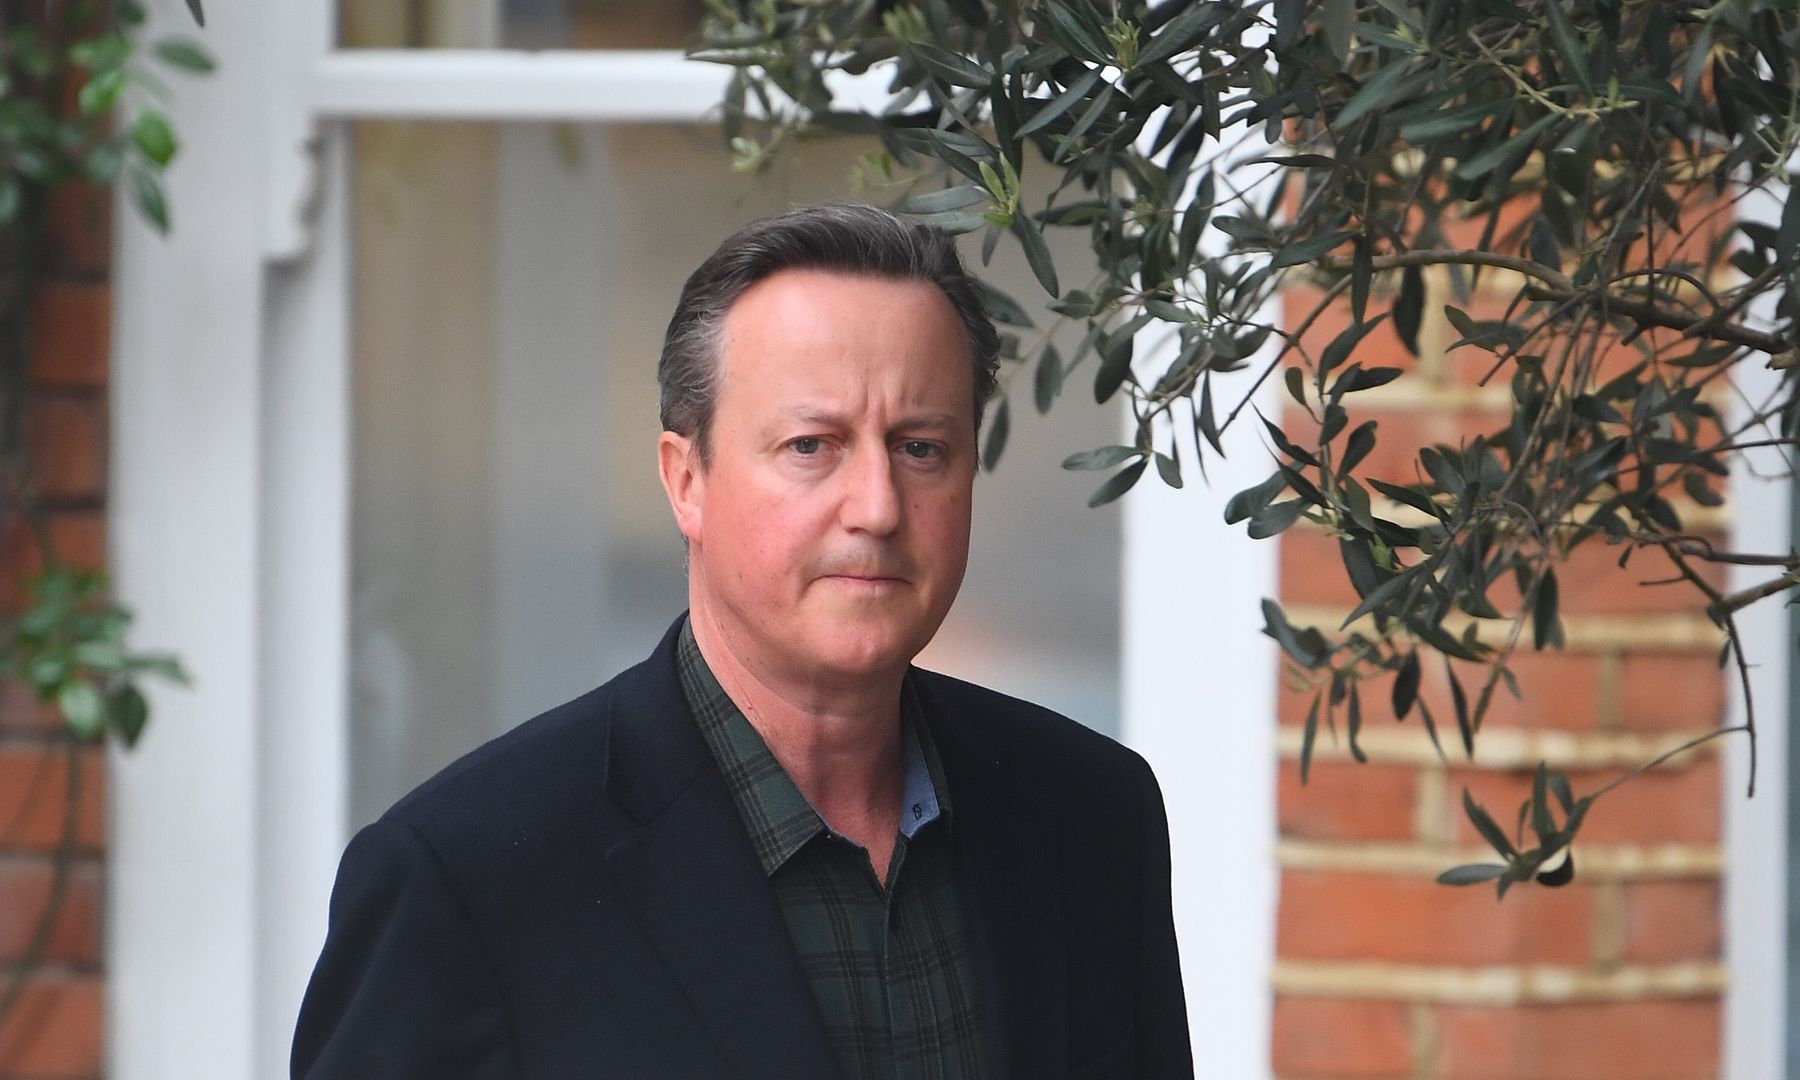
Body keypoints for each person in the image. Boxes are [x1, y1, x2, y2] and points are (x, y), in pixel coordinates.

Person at [290, 203, 1194, 1079]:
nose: (878, 507)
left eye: (921, 447)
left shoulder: (1092, 817)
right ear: (687, 480)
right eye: (812, 445)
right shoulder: (464, 884)